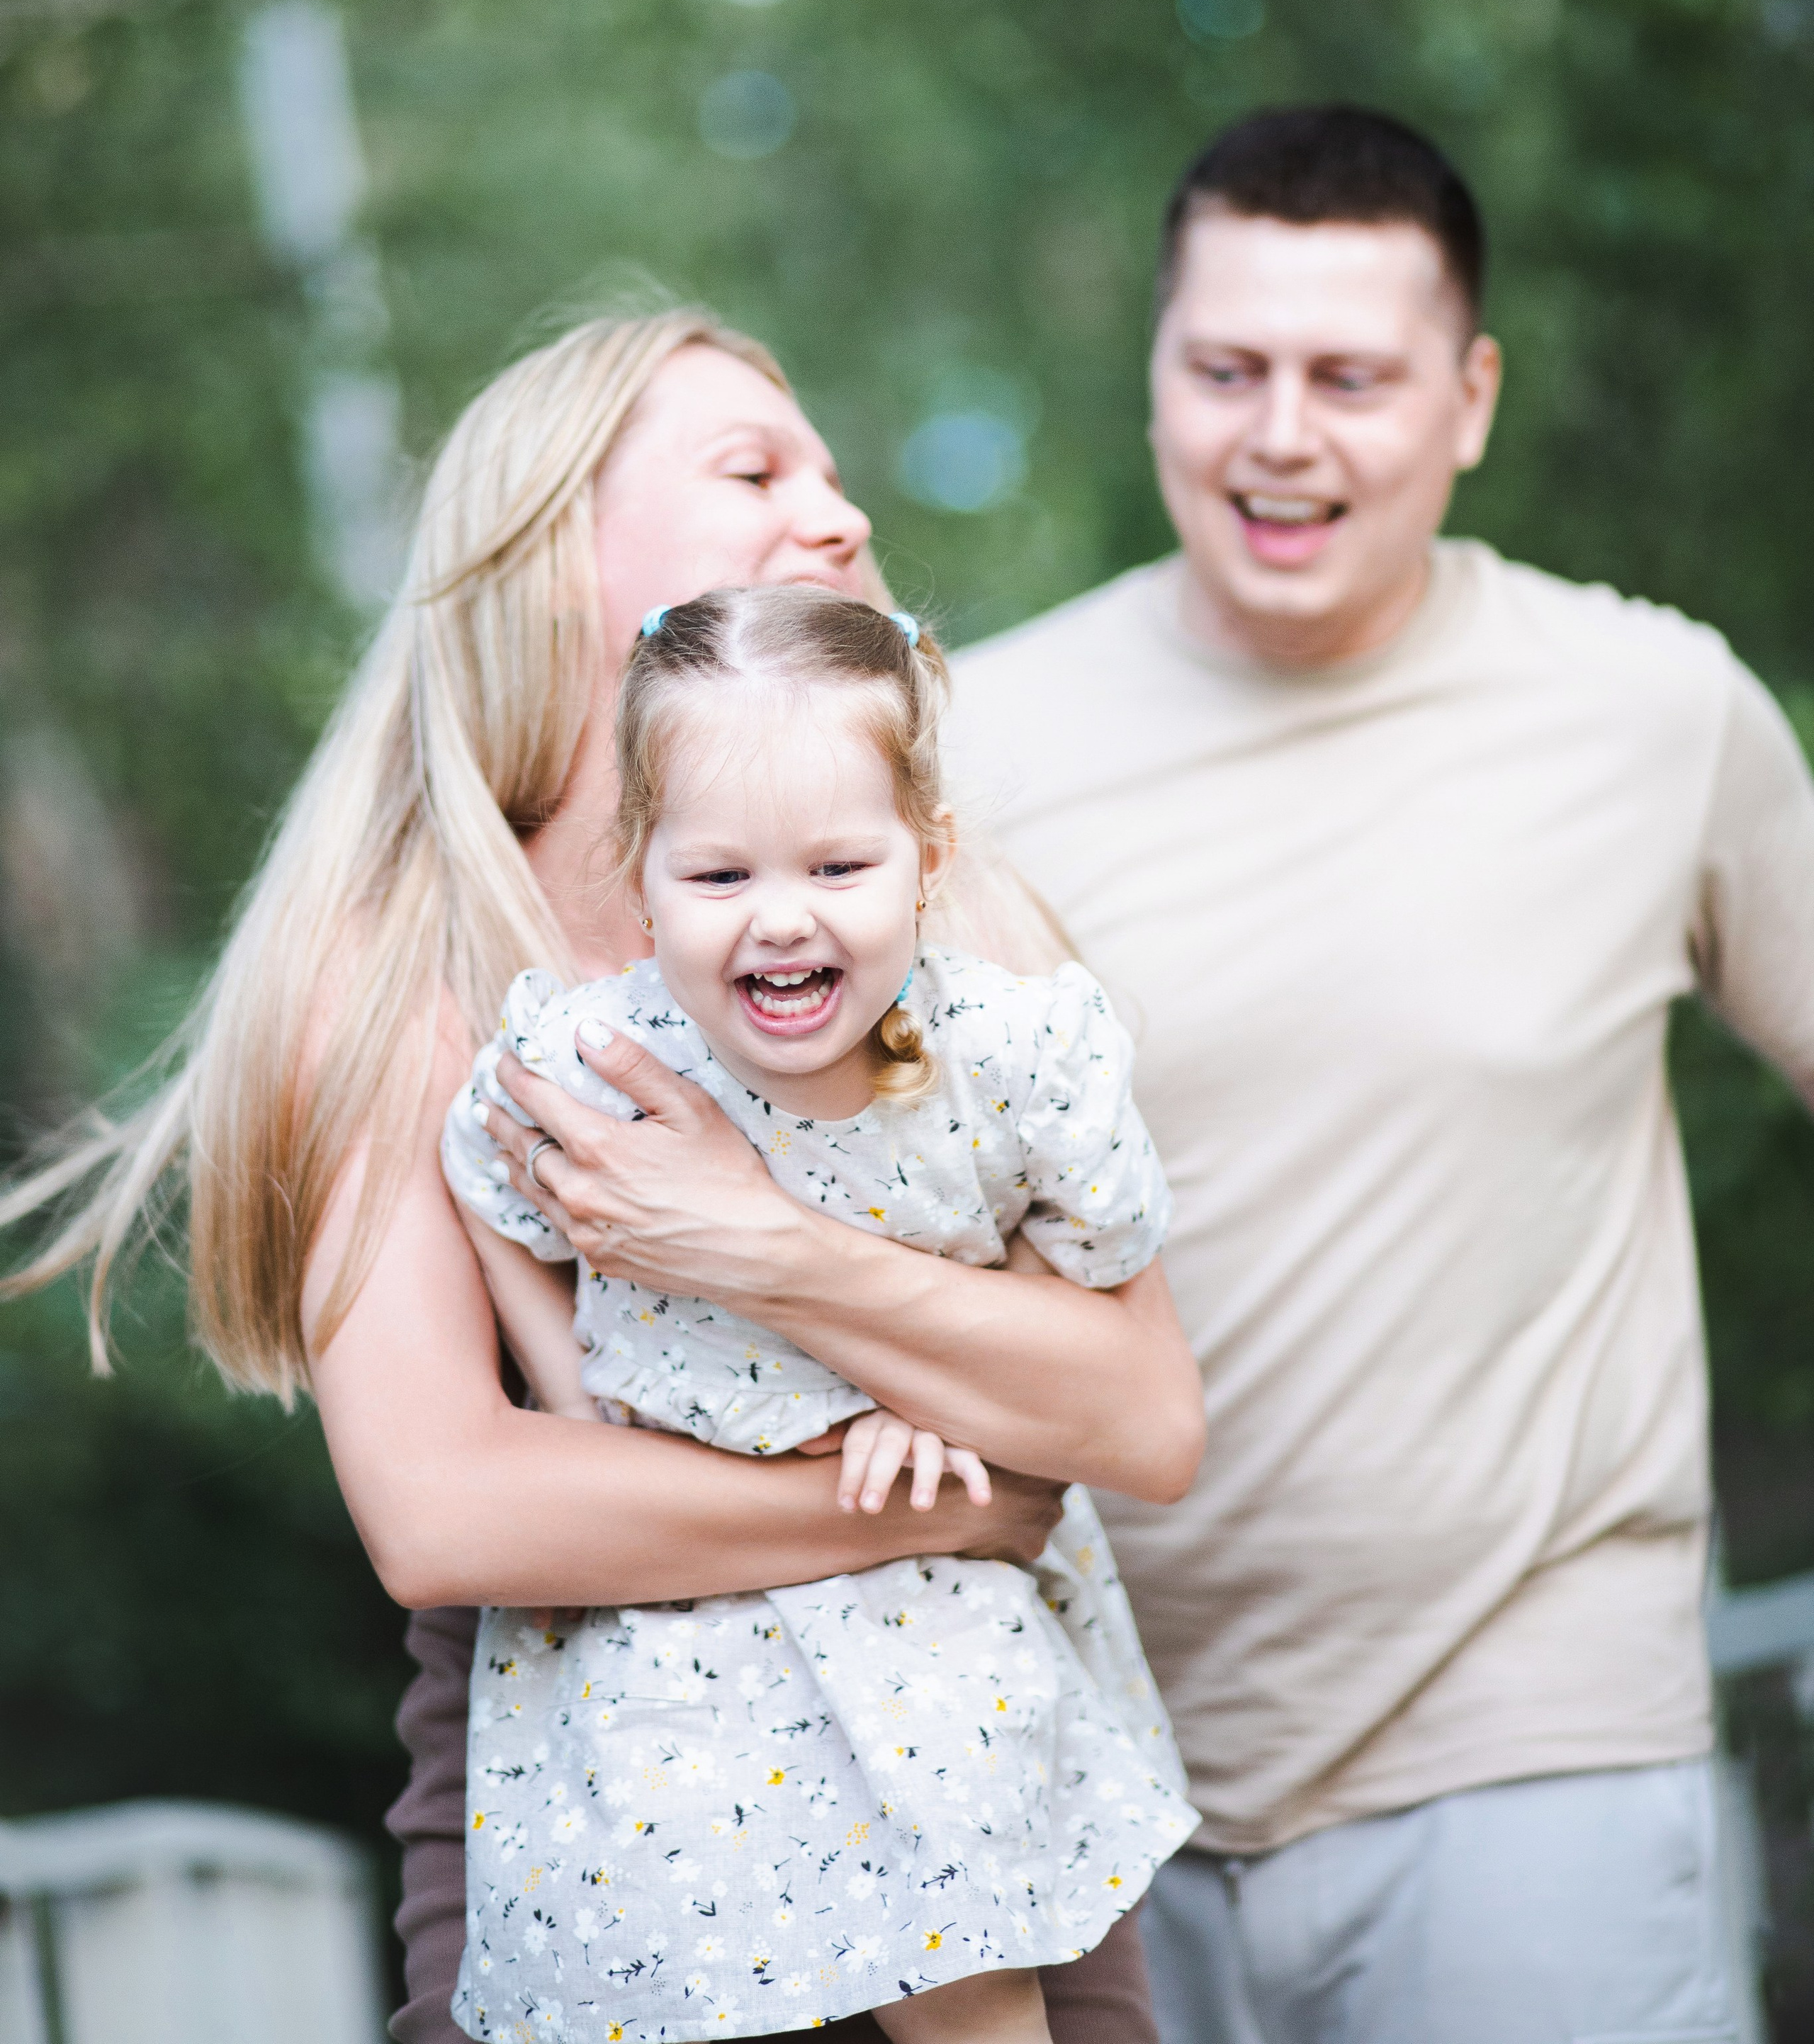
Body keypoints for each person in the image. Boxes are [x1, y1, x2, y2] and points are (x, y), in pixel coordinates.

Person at [3, 307, 1197, 2044]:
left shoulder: (947, 937)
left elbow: (1142, 1417)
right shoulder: (397, 980)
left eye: (836, 473)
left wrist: (770, 1250)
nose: (841, 510)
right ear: (552, 556)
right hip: (621, 1828)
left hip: (982, 1782)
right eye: (755, 471)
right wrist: (935, 1504)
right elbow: (449, 1513)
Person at [944, 103, 1814, 2043]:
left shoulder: (1654, 713)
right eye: (1227, 367)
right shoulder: (961, 750)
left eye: (1352, 377)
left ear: (1470, 396)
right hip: (1081, 1780)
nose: (1281, 435)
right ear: (1156, 371)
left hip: (1540, 1747)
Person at [438, 587, 1195, 2044]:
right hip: (674, 1614)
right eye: (716, 877)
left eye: (838, 865)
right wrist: (574, 1391)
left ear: (927, 857)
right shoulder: (594, 1064)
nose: (780, 919)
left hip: (923, 1610)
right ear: (640, 875)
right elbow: (483, 1182)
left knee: (972, 1978)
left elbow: (1094, 1237)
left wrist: (941, 1391)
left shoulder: (1009, 1054)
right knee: (678, 1958)